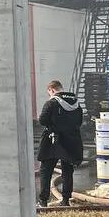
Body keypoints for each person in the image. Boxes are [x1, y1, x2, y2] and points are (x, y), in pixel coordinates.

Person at [37, 79, 84, 207]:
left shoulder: (51, 103)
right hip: (71, 141)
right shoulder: (76, 103)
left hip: (52, 140)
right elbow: (79, 122)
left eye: (49, 93)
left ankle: (43, 201)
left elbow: (42, 120)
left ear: (52, 90)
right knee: (67, 171)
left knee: (46, 170)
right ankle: (65, 200)